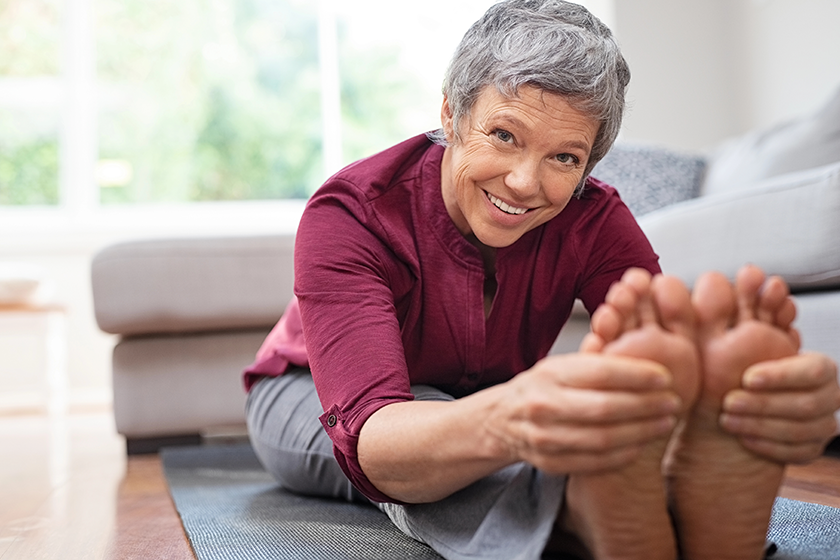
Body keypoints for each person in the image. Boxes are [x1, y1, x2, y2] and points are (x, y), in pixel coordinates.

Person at [243, 1, 840, 559]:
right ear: (452, 112)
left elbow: (667, 343)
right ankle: (581, 511)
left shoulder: (594, 217)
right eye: (504, 135)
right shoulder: (351, 214)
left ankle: (662, 494)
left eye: (565, 158)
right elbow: (373, 436)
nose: (527, 183)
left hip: (482, 395)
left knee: (532, 424)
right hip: (317, 396)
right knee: (455, 446)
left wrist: (749, 400)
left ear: (590, 163)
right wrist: (513, 413)